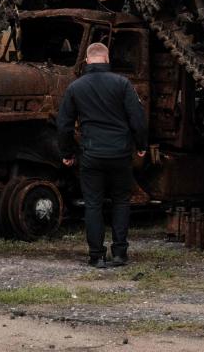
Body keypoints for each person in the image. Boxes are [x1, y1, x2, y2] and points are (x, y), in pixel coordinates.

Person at [57, 42, 148, 268]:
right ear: (107, 60)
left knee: (93, 204)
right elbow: (137, 117)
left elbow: (64, 125)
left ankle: (96, 255)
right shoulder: (123, 84)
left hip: (91, 154)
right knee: (120, 201)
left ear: (87, 61)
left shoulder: (75, 88)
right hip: (119, 153)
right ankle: (119, 253)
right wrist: (141, 145)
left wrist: (67, 152)